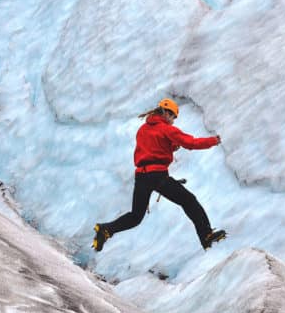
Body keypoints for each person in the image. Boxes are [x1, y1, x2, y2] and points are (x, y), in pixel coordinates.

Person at [93, 98, 226, 252]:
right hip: (158, 176)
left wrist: (169, 147)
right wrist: (213, 140)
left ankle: (105, 230)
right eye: (173, 117)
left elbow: (152, 147)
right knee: (189, 201)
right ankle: (206, 236)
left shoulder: (143, 129)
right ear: (166, 113)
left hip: (141, 177)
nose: (173, 121)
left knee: (135, 216)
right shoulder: (166, 129)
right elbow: (191, 143)